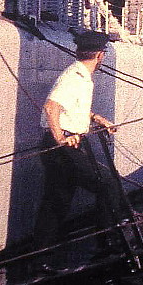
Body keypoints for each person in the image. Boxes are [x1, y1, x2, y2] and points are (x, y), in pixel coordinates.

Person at [33, 30, 123, 268]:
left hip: (59, 146)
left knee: (57, 200)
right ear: (100, 55)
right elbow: (51, 107)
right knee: (108, 183)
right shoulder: (75, 76)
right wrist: (61, 139)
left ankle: (40, 259)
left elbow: (71, 106)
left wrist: (96, 118)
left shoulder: (80, 76)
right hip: (63, 147)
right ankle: (106, 247)